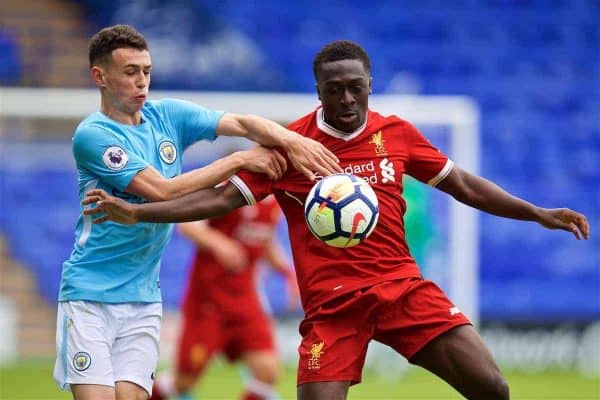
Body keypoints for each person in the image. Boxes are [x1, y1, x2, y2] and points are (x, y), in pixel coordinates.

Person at [83, 40, 590, 400]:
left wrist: (536, 213)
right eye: (334, 90)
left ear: (370, 85)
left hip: (402, 291)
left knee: (493, 388)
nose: (346, 100)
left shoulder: (397, 134)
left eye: (355, 88)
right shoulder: (292, 146)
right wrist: (138, 211)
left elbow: (462, 184)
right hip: (333, 307)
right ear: (318, 90)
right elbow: (218, 201)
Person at [53, 24, 340, 400]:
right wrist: (240, 159)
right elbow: (162, 191)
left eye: (147, 71)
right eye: (130, 72)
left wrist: (290, 140)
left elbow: (241, 122)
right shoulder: (93, 135)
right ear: (100, 76)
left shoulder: (167, 115)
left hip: (142, 300)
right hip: (90, 296)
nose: (142, 82)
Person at [151, 196, 298, 400]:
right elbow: (187, 226)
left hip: (245, 302)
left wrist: (286, 270)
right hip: (208, 303)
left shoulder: (273, 201)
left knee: (267, 371)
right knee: (183, 383)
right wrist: (218, 243)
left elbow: (264, 239)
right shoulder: (230, 188)